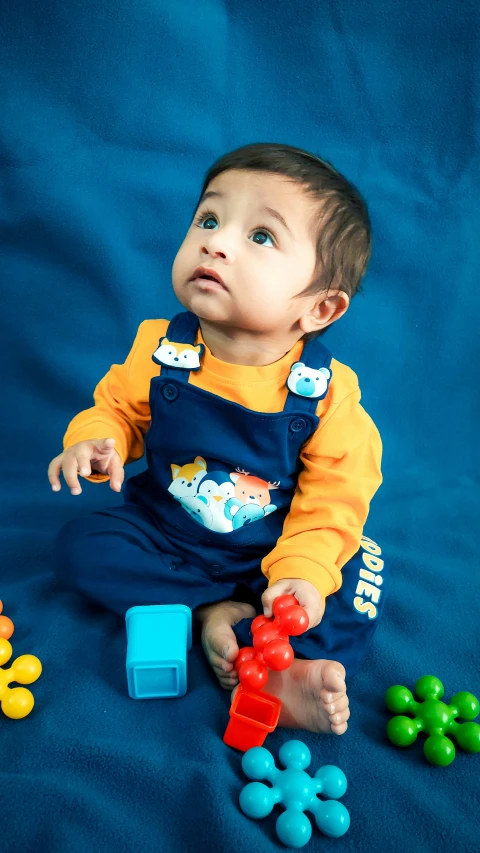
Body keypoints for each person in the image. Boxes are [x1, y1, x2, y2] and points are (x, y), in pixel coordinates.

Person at [49, 142, 384, 736]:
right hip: (170, 533)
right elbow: (117, 408)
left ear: (321, 307)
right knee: (82, 545)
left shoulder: (327, 392)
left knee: (357, 579)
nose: (216, 242)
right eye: (209, 219)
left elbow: (337, 494)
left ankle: (289, 670)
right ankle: (212, 612)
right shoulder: (161, 347)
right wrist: (99, 440)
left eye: (261, 237)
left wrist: (301, 573)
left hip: (271, 552)